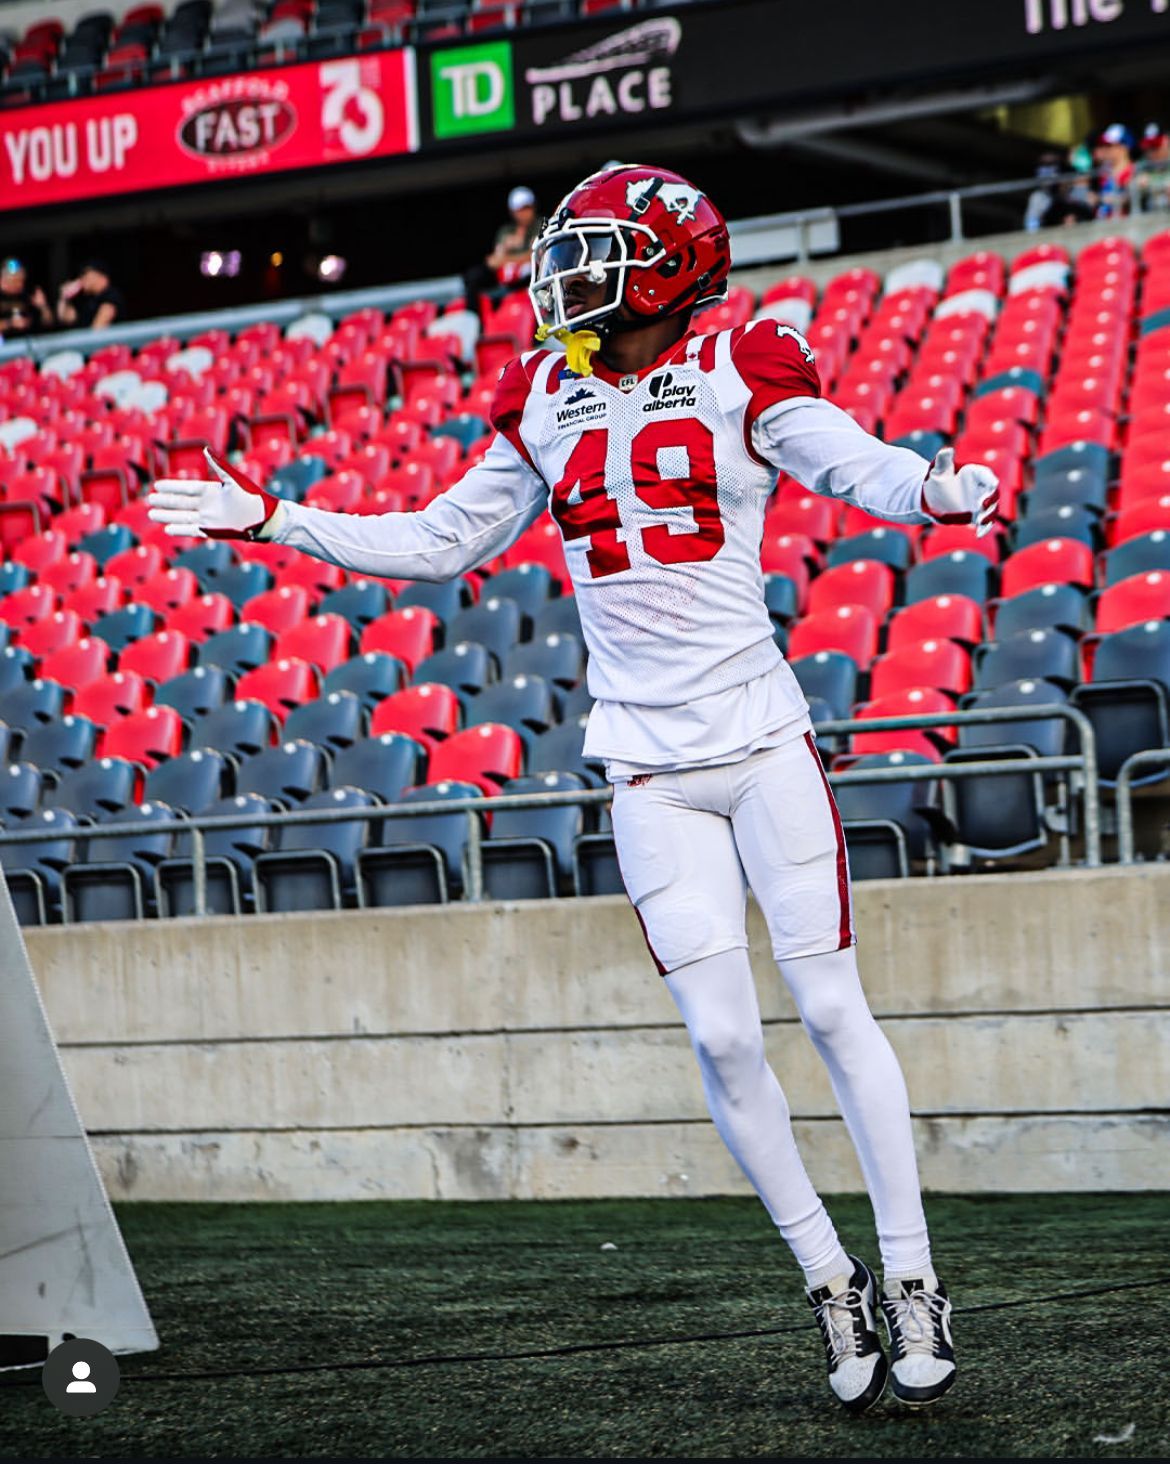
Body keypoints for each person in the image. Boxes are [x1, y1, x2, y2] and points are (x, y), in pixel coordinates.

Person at [149, 163, 997, 1415]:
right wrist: (276, 519)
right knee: (718, 1035)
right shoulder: (544, 388)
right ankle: (831, 1279)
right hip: (647, 763)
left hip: (762, 742)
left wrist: (929, 486)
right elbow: (441, 539)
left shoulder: (743, 360)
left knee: (826, 1006)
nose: (565, 273)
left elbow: (845, 459)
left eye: (594, 249)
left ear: (667, 262)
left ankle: (916, 1277)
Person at [462, 184, 540, 316]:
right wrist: (515, 257)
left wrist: (509, 258)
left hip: (529, 275)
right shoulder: (506, 231)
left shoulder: (540, 225)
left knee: (530, 272)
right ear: (512, 211)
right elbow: (493, 262)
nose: (524, 213)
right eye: (519, 209)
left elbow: (536, 256)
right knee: (473, 276)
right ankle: (474, 320)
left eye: (527, 208)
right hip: (505, 275)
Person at [56, 258, 125, 330]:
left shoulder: (110, 295)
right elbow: (66, 319)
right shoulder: (87, 299)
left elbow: (99, 327)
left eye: (86, 273)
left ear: (100, 275)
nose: (82, 278)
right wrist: (64, 297)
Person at [0, 257, 53, 337]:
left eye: (21, 280)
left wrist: (43, 307)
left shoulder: (27, 295)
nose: (19, 285)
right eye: (15, 281)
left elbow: (48, 323)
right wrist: (10, 323)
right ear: (2, 280)